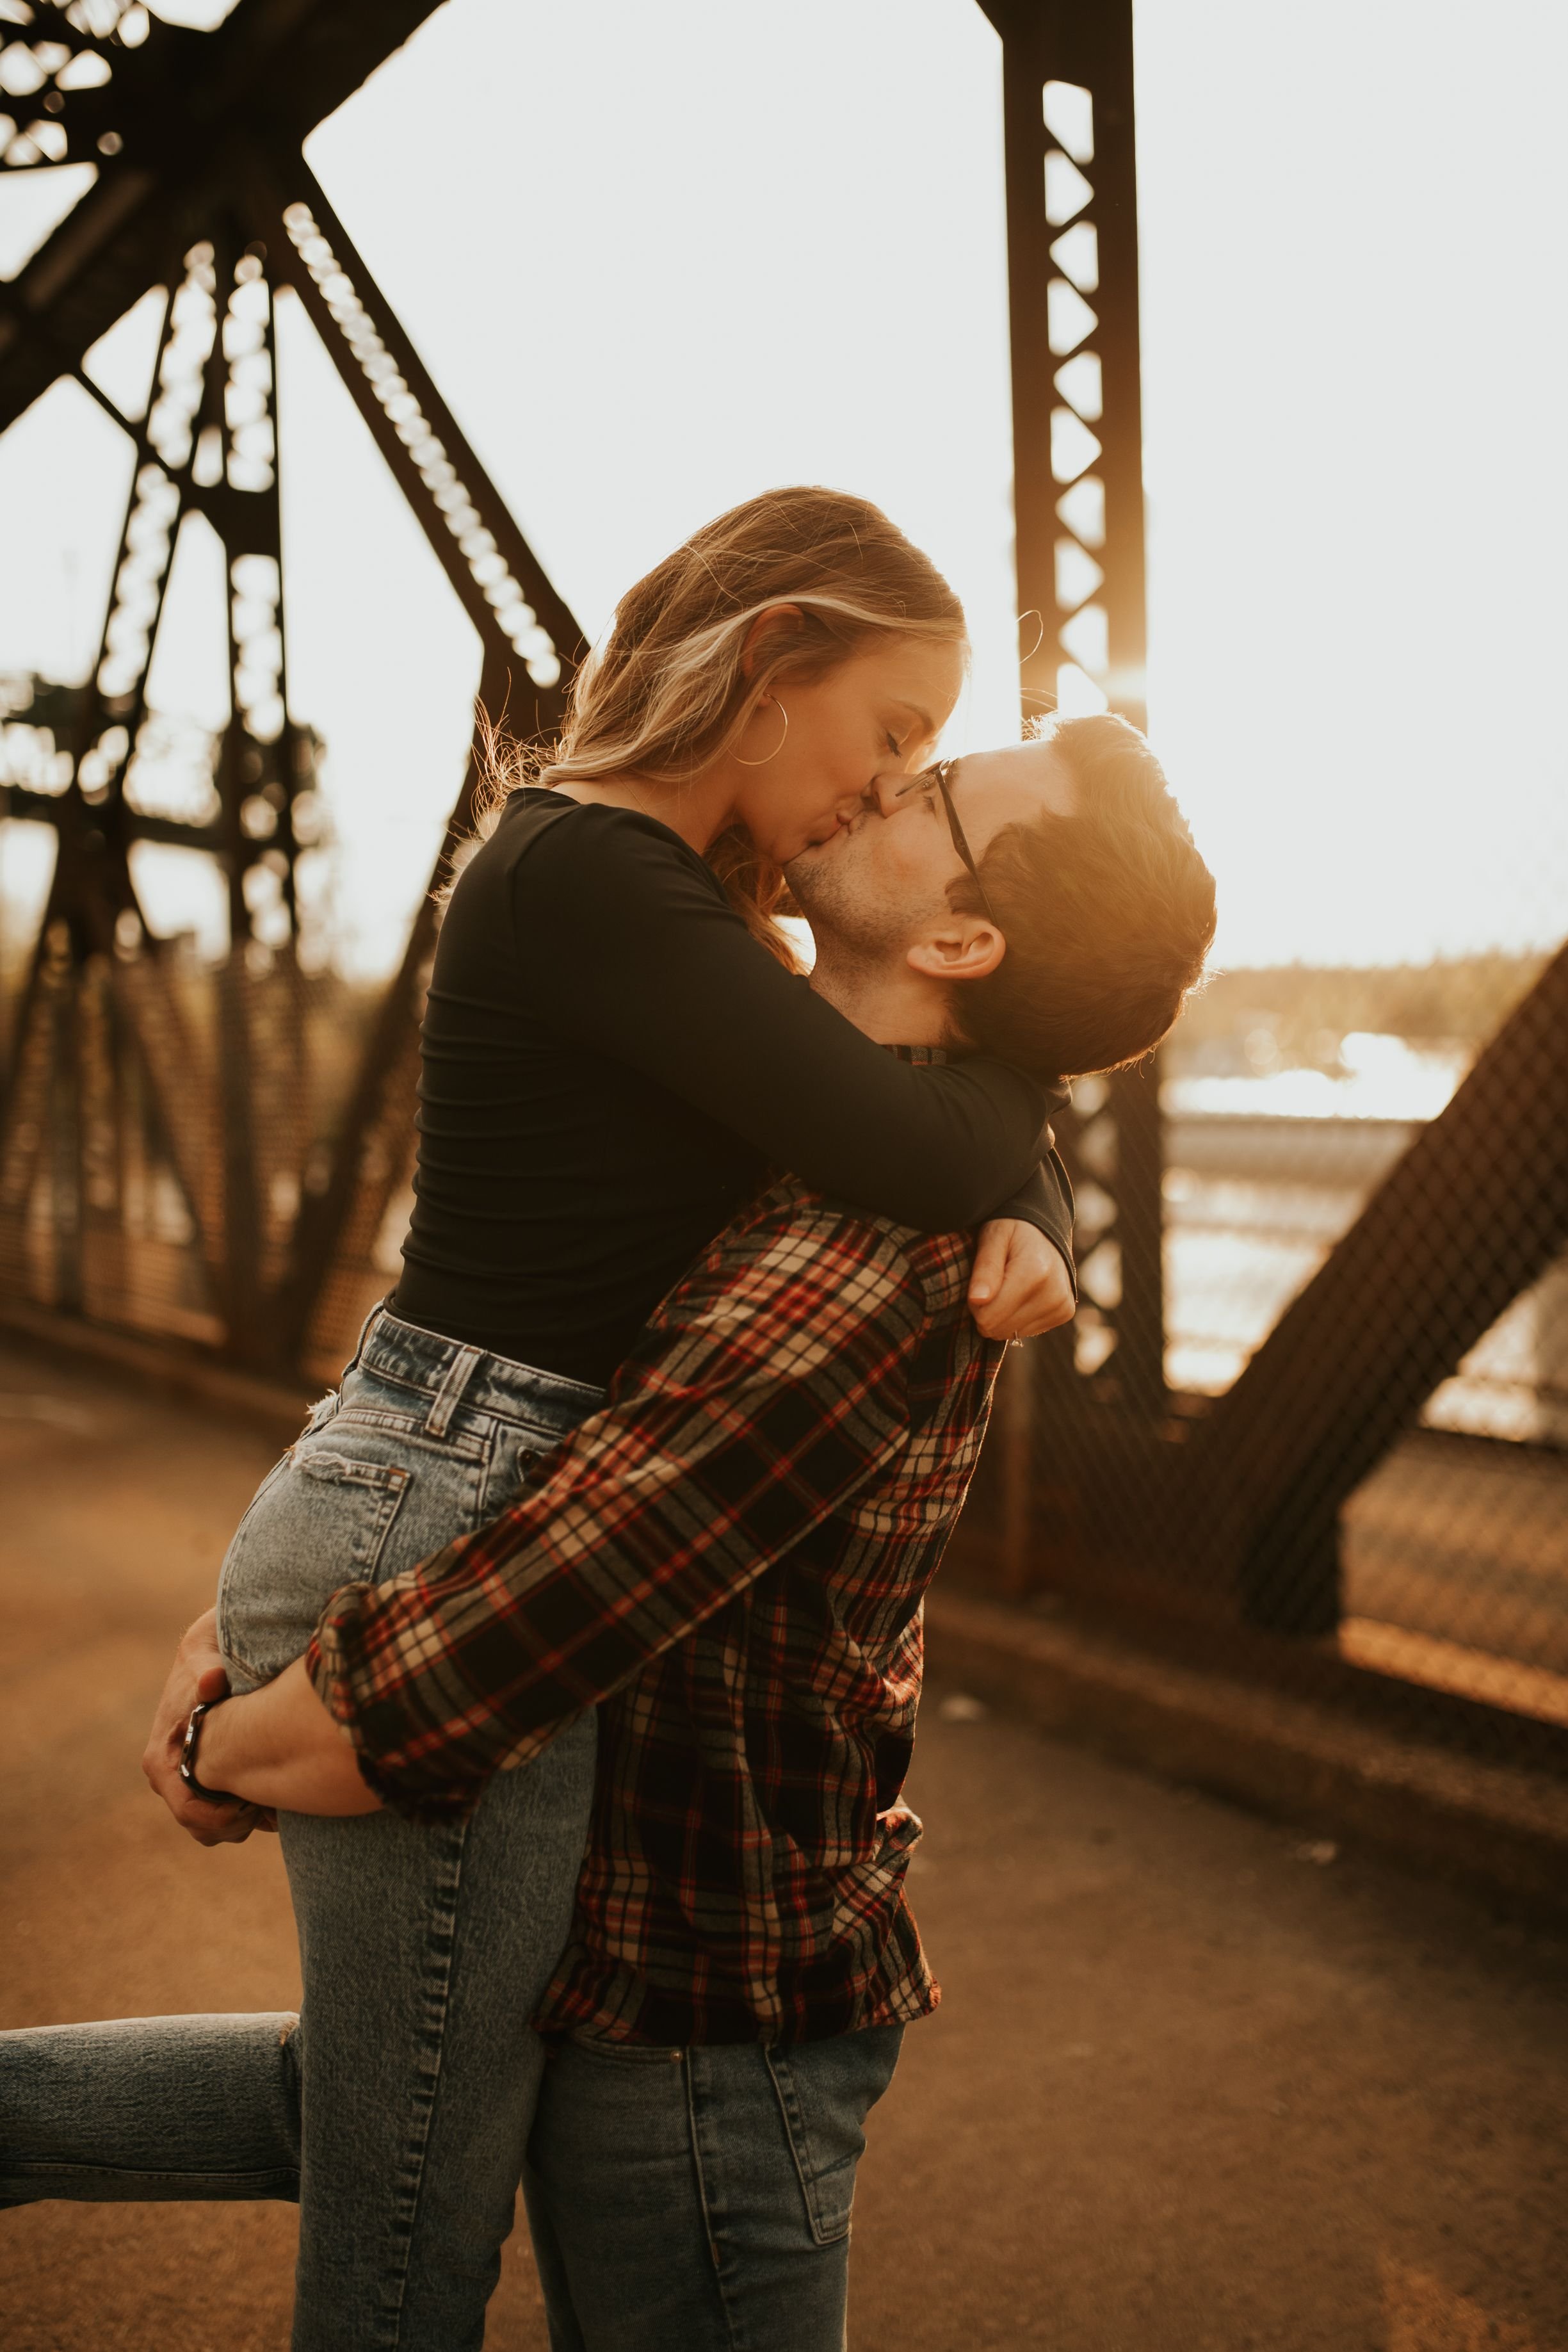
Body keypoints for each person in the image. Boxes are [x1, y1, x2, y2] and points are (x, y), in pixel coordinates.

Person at [0, 491, 1077, 2351]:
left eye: (921, 769)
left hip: (430, 1458)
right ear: (773, 658)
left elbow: (862, 1123)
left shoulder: (665, 890)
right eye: (891, 736)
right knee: (409, 2219)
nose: (882, 785)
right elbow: (915, 1136)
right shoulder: (602, 872)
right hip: (450, 1476)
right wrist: (1030, 1178)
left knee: (410, 2117)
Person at [127, 713, 1215, 2351]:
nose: (879, 778)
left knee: (367, 2138)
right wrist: (255, 1629)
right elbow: (494, 1346)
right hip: (598, 1947)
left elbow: (529, 1614)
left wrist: (234, 1745)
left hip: (705, 2034)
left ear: (961, 935)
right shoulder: (789, 1119)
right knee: (363, 2116)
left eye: (934, 791)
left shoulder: (857, 1257)